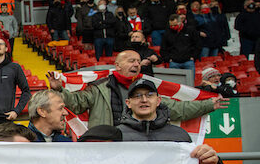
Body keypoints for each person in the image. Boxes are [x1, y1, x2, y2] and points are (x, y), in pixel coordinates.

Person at [46, 49, 224, 127]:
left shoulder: (147, 88)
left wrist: (208, 104)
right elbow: (76, 104)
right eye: (131, 61)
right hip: (107, 146)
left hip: (141, 145)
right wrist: (58, 90)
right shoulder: (99, 87)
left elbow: (177, 108)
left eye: (139, 62)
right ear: (117, 65)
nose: (137, 64)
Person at [117, 78, 226, 164]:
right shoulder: (115, 137)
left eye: (149, 95)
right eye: (137, 96)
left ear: (158, 100)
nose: (144, 100)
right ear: (128, 103)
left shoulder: (180, 136)